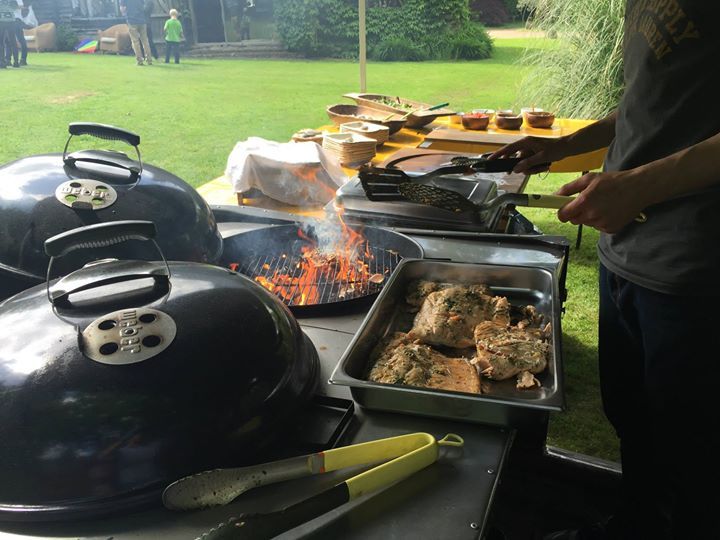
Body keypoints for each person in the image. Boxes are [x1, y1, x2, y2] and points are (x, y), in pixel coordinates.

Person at [491, 2, 720, 539]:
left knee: (694, 454)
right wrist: (567, 145)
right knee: (633, 423)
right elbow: (654, 99)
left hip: (694, 270)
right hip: (625, 253)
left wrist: (639, 186)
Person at [120, 0, 152, 66]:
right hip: (142, 20)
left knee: (135, 42)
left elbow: (122, 9)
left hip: (132, 21)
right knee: (145, 41)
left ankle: (139, 61)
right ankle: (149, 60)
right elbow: (143, 5)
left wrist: (125, 15)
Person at [0, 0, 18, 69]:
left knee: (1, 42)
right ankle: (16, 62)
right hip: (11, 21)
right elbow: (15, 7)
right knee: (13, 41)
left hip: (1, 21)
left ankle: (2, 62)